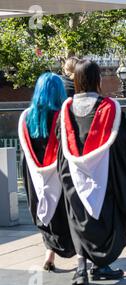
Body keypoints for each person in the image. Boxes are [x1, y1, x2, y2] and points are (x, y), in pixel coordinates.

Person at [56, 60, 126, 285]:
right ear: (97, 80)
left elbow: (60, 141)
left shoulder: (66, 107)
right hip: (104, 173)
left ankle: (81, 267)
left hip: (72, 172)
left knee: (78, 217)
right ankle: (102, 265)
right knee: (103, 216)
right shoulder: (109, 107)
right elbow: (122, 140)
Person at [18, 72, 76, 271]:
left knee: (45, 212)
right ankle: (80, 257)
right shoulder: (63, 116)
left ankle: (49, 255)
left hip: (35, 174)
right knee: (66, 214)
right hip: (59, 173)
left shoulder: (27, 117)